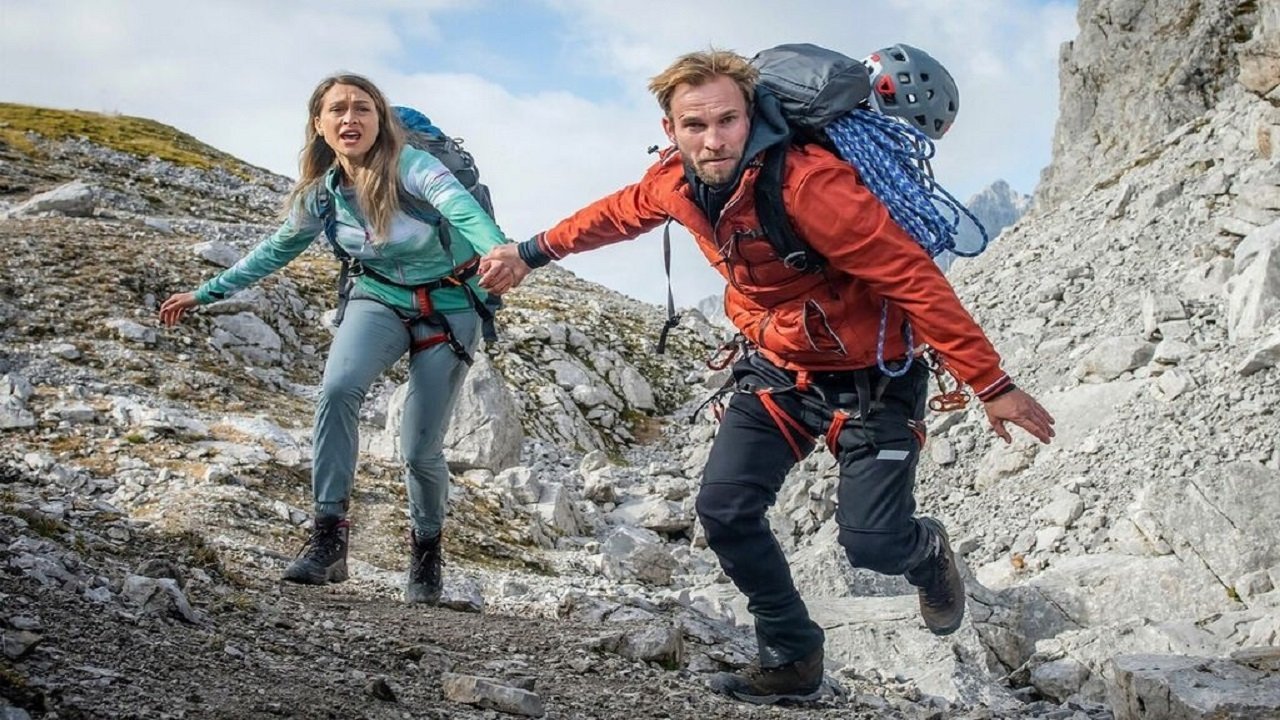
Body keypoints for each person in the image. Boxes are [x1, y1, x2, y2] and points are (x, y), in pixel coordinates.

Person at [479, 48, 1056, 705]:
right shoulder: (673, 181)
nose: (713, 138)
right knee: (724, 511)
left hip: (876, 381)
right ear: (671, 131)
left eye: (727, 120)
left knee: (871, 543)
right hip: (781, 371)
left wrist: (991, 384)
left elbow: (913, 280)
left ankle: (926, 554)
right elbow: (611, 215)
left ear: (750, 116)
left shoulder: (812, 187)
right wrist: (529, 254)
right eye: (695, 126)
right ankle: (792, 655)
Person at [160, 73, 515, 605]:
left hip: (450, 304)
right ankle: (328, 539)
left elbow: (463, 209)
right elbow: (275, 250)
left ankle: (426, 551)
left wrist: (499, 253)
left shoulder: (416, 167)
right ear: (320, 125)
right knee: (337, 390)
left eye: (362, 109)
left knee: (420, 449)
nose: (350, 119)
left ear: (381, 121)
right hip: (378, 298)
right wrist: (206, 292)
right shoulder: (322, 194)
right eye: (338, 110)